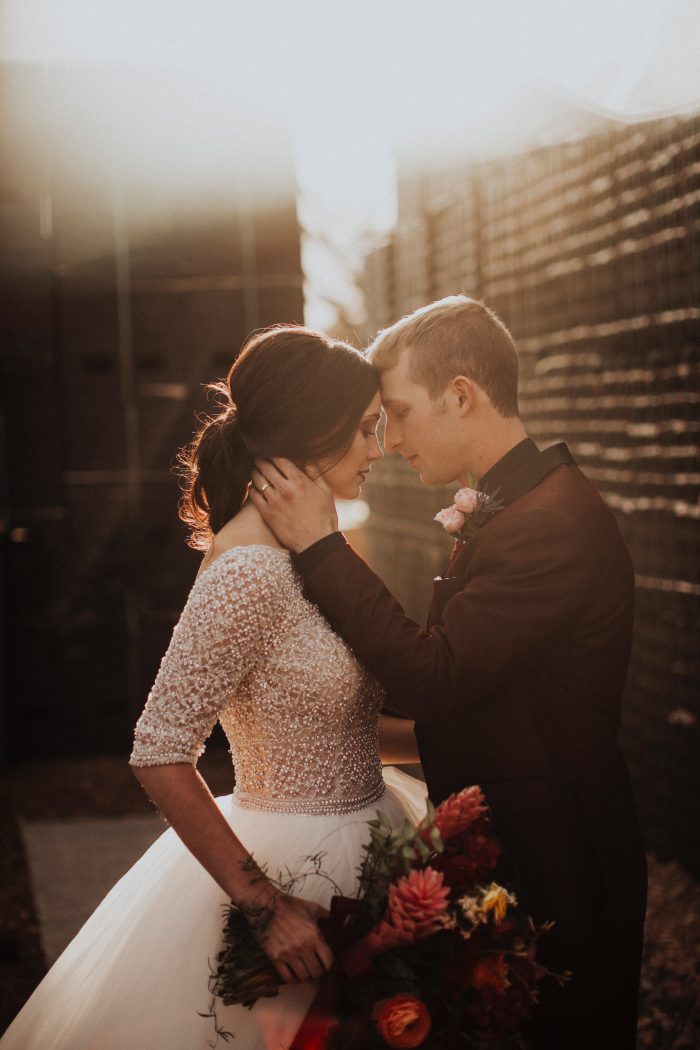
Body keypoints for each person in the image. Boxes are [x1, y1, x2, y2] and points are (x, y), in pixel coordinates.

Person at [0, 326, 426, 1050]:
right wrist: (266, 907)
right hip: (295, 875)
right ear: (308, 429)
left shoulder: (314, 552)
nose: (378, 450)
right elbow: (159, 752)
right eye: (362, 430)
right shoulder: (246, 572)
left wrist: (480, 733)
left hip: (374, 838)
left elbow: (341, 723)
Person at [251, 295, 648, 1050]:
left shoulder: (552, 524)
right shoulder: (520, 506)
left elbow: (435, 675)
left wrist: (321, 548)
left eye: (398, 411)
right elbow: (471, 694)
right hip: (518, 840)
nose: (389, 438)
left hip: (561, 857)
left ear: (460, 394)